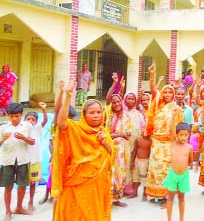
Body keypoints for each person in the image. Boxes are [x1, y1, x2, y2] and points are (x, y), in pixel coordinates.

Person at [52, 84, 115, 221]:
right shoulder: (76, 128)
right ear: (84, 115)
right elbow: (61, 123)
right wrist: (68, 97)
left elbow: (112, 156)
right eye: (91, 113)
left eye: (99, 112)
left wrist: (106, 143)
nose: (96, 116)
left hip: (97, 186)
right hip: (77, 184)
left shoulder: (103, 132)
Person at [145, 63, 183, 201]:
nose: (167, 94)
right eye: (165, 92)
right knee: (156, 169)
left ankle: (168, 196)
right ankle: (158, 194)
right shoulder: (158, 106)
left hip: (169, 144)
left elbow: (180, 129)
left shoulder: (177, 109)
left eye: (170, 92)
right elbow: (153, 91)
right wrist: (152, 75)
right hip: (156, 144)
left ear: (173, 95)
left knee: (167, 170)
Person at [0, 103, 34, 221]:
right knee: (7, 186)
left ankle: (19, 207)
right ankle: (8, 212)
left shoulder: (28, 126)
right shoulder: (3, 128)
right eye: (12, 116)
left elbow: (32, 142)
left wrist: (23, 138)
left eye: (17, 116)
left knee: (22, 185)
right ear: (8, 116)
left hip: (23, 159)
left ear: (21, 115)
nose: (14, 118)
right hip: (7, 160)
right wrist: (3, 139)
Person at [105, 74, 134, 207]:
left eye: (118, 102)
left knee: (121, 173)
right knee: (111, 173)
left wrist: (117, 134)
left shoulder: (126, 116)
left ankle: (116, 199)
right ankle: (107, 198)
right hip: (111, 150)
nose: (116, 104)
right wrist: (119, 134)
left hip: (124, 151)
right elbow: (107, 135)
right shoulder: (109, 116)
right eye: (114, 102)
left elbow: (128, 135)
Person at [162, 120, 193, 221]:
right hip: (173, 175)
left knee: (181, 199)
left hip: (184, 176)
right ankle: (169, 219)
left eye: (186, 135)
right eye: (181, 135)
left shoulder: (189, 148)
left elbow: (190, 162)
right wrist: (173, 116)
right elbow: (171, 129)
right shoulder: (173, 144)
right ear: (176, 135)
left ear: (189, 135)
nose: (183, 137)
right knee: (170, 199)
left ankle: (181, 219)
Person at [24, 102, 48, 211]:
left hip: (35, 161)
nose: (30, 121)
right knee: (22, 183)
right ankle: (20, 203)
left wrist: (43, 110)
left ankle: (30, 202)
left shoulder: (37, 128)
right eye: (28, 119)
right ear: (24, 120)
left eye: (33, 119)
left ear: (36, 121)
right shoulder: (22, 129)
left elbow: (45, 121)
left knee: (33, 183)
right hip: (23, 161)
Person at [122, 91, 145, 197]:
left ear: (136, 101)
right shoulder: (122, 113)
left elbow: (142, 129)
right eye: (128, 98)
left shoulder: (139, 115)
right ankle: (121, 187)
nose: (130, 100)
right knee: (123, 165)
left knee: (133, 165)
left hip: (135, 145)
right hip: (123, 145)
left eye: (133, 99)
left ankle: (130, 187)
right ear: (125, 100)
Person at [130, 133, 152, 201]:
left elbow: (151, 153)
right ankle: (135, 192)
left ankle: (144, 194)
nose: (144, 133)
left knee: (144, 178)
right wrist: (132, 161)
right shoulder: (138, 139)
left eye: (146, 131)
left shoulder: (150, 141)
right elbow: (134, 151)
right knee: (135, 178)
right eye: (143, 130)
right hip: (137, 161)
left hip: (145, 162)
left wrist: (149, 164)